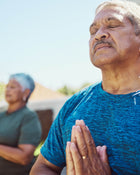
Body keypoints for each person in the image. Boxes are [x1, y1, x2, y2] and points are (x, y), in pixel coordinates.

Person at [30, 0, 140, 174]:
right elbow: (43, 167)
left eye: (112, 25)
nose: (99, 35)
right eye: (93, 31)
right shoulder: (74, 104)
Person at [0, 73, 42, 175]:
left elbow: (24, 157)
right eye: (7, 86)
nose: (7, 90)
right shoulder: (1, 114)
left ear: (26, 93)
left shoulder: (29, 117)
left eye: (13, 87)